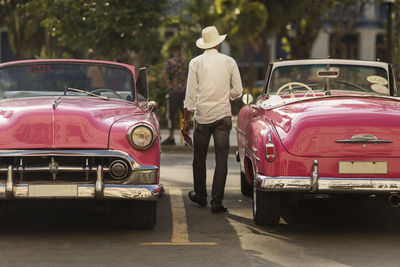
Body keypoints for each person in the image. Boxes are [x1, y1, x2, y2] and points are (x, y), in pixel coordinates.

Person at [182, 26, 243, 213]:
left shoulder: (195, 63)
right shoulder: (229, 61)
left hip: (202, 116)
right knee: (221, 160)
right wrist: (228, 96)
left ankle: (200, 197)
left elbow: (190, 95)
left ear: (204, 44)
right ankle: (217, 203)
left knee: (199, 158)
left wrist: (185, 121)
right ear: (218, 42)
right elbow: (238, 91)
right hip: (223, 116)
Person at [161, 44, 188, 145]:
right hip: (184, 92)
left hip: (174, 92)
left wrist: (169, 85)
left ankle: (171, 138)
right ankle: (186, 138)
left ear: (173, 51)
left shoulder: (170, 62)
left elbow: (163, 74)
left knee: (171, 115)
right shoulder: (185, 61)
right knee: (185, 115)